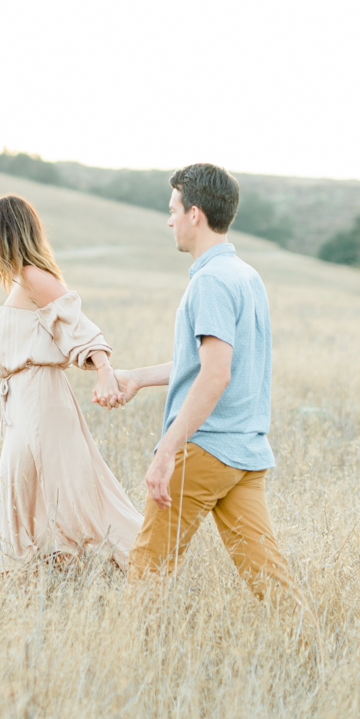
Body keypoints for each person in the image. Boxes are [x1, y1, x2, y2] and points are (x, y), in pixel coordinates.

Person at [98, 163, 294, 602]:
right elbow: (209, 363)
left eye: (173, 209)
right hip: (244, 453)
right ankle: (313, 656)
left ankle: (126, 663)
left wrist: (166, 452)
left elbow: (216, 374)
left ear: (195, 214)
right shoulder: (246, 276)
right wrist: (138, 378)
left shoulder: (210, 282)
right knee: (270, 580)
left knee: (147, 568)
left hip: (204, 450)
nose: (169, 220)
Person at [0, 195, 143, 572]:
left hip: (41, 405)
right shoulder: (21, 281)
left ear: (4, 234)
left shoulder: (33, 277)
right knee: (29, 494)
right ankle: (34, 582)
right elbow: (31, 353)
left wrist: (104, 371)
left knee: (70, 493)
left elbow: (79, 327)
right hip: (23, 402)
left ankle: (146, 560)